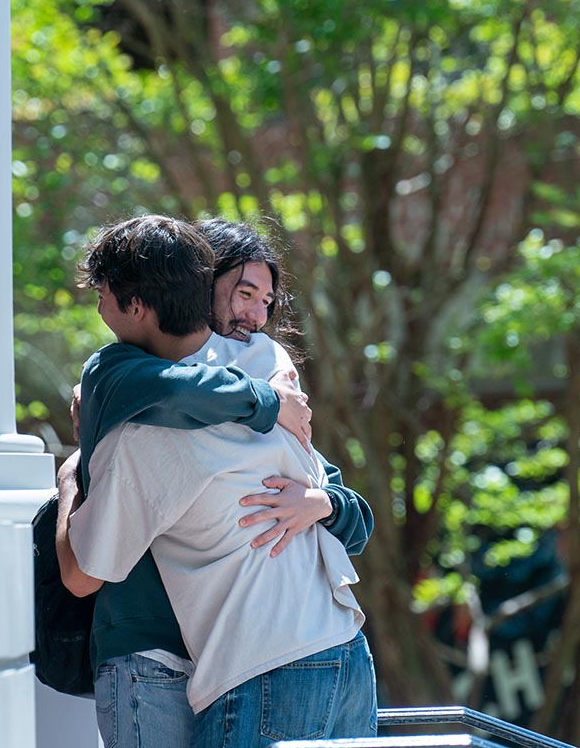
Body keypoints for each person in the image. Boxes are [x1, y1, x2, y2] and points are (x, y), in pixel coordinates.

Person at [57, 215, 376, 747]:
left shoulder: (162, 408)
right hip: (331, 645)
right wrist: (269, 401)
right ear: (200, 285)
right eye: (245, 294)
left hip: (253, 659)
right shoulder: (260, 377)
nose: (258, 315)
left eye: (267, 301)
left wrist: (321, 503)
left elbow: (81, 574)